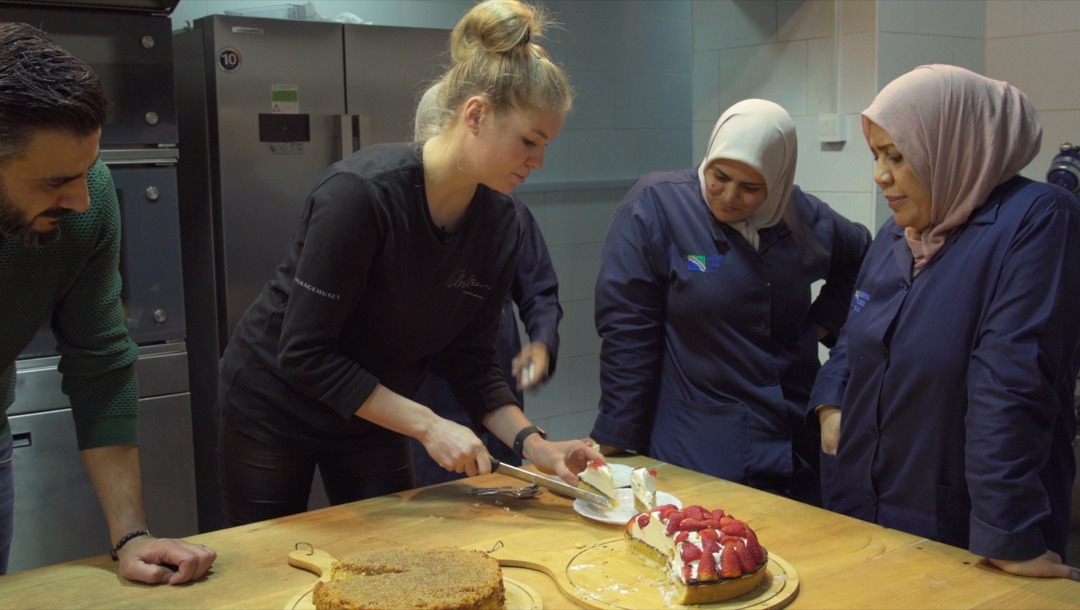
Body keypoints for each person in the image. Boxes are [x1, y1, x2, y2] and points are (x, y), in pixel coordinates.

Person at [216, 0, 599, 525]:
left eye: (546, 144)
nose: (539, 161)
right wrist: (428, 424)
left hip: (375, 414)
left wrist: (535, 444)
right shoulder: (361, 195)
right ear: (476, 114)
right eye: (529, 141)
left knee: (391, 561)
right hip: (275, 408)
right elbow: (304, 352)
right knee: (264, 562)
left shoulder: (500, 222)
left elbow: (472, 360)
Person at [810, 64, 1080, 581]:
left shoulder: (1038, 219)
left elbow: (1012, 381)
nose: (879, 175)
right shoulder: (900, 232)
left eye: (897, 156)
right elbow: (855, 331)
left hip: (962, 527)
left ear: (953, 145)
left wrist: (1010, 534)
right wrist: (831, 399)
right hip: (860, 504)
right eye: (876, 156)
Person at [0, 23, 216, 582]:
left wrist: (131, 536)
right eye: (55, 181)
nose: (81, 196)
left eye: (87, 167)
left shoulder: (88, 202)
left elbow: (99, 361)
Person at [588, 99, 871, 505]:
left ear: (777, 183)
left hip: (793, 435)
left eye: (752, 188)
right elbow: (628, 329)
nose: (729, 196)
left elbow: (864, 260)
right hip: (702, 444)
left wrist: (822, 323)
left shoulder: (802, 216)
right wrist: (616, 433)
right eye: (719, 176)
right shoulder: (657, 206)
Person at [410, 85, 562, 485]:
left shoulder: (507, 214)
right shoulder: (395, 209)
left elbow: (539, 290)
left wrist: (542, 341)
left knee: (498, 492)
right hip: (418, 394)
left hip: (491, 385)